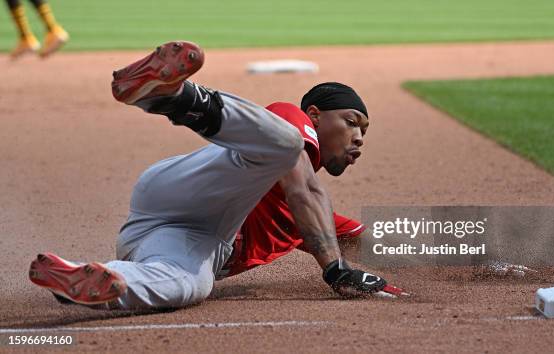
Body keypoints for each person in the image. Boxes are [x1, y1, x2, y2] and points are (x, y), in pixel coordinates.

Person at [28, 41, 405, 310]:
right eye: (353, 122)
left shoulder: (313, 221)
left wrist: (462, 254)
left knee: (191, 284)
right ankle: (175, 97)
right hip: (186, 190)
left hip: (176, 243)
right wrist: (337, 270)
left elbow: (380, 241)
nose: (358, 138)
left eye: (365, 133)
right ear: (316, 114)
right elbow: (303, 188)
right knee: (285, 145)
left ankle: (88, 281)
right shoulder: (291, 117)